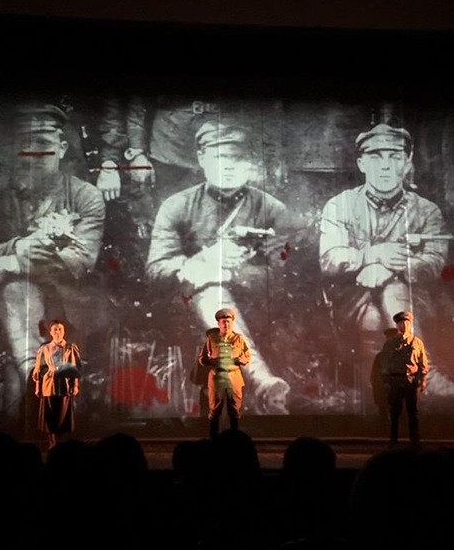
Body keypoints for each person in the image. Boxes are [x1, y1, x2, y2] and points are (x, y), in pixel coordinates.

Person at [145, 117, 292, 413]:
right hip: (187, 308)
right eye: (219, 157)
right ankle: (260, 379)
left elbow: (281, 276)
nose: (228, 166)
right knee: (210, 289)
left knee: (215, 287)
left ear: (251, 164)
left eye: (238, 159)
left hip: (254, 306)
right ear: (201, 158)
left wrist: (230, 273)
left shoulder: (272, 209)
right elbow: (156, 269)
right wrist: (199, 264)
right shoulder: (177, 205)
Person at [0, 103, 106, 417]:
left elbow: (79, 259)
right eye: (25, 145)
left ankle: (40, 381)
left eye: (43, 144)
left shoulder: (85, 195)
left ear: (62, 148)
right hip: (8, 301)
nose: (34, 154)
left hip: (70, 298)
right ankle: (39, 379)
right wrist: (20, 246)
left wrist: (13, 262)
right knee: (16, 292)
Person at [319, 121, 452, 401]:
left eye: (395, 157)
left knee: (389, 298)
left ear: (407, 163)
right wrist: (372, 255)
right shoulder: (340, 205)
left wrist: (393, 268)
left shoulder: (427, 211)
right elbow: (329, 258)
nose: (385, 167)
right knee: (370, 317)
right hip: (353, 300)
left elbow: (435, 262)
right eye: (375, 157)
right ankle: (421, 376)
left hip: (415, 302)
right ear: (361, 164)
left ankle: (391, 388)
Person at [198, 308, 251, 438]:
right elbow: (201, 358)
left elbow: (247, 356)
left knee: (234, 409)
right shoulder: (212, 338)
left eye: (228, 322)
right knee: (215, 409)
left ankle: (235, 440)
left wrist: (242, 360)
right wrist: (210, 361)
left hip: (234, 376)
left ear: (232, 323)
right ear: (219, 323)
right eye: (223, 322)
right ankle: (214, 440)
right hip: (217, 377)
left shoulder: (238, 339)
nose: (226, 324)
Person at [379, 310, 428, 448]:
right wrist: (386, 381)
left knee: (413, 413)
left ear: (410, 324)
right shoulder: (390, 343)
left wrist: (423, 380)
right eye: (401, 323)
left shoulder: (417, 343)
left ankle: (415, 441)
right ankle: (393, 440)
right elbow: (384, 363)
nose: (404, 325)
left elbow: (423, 363)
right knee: (395, 413)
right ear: (397, 325)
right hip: (395, 381)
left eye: (407, 322)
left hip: (411, 381)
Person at [32, 320, 81, 450]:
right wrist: (38, 387)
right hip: (48, 385)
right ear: (50, 332)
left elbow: (75, 369)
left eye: (60, 329)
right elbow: (38, 369)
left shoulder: (70, 347)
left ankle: (62, 444)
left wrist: (75, 385)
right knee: (50, 417)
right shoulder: (44, 348)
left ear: (63, 331)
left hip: (65, 385)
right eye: (55, 329)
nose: (58, 332)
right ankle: (52, 443)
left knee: (63, 416)